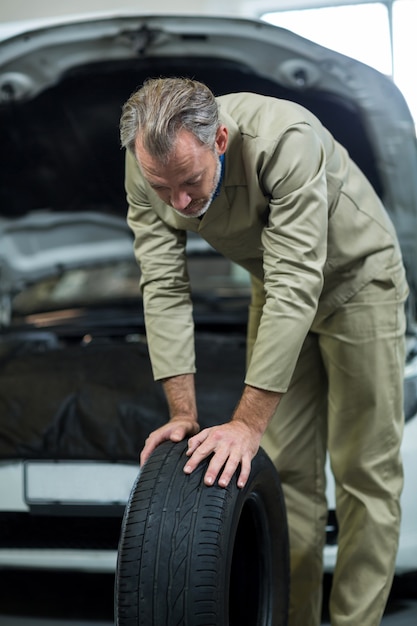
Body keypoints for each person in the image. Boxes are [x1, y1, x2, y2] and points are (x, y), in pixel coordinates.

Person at [119, 77, 408, 626]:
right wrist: (183, 412)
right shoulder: (148, 164)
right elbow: (162, 285)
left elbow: (302, 280)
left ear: (220, 141)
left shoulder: (286, 139)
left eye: (190, 182)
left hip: (358, 281)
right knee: (289, 474)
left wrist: (245, 424)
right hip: (273, 286)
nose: (178, 203)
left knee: (364, 474)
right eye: (162, 188)